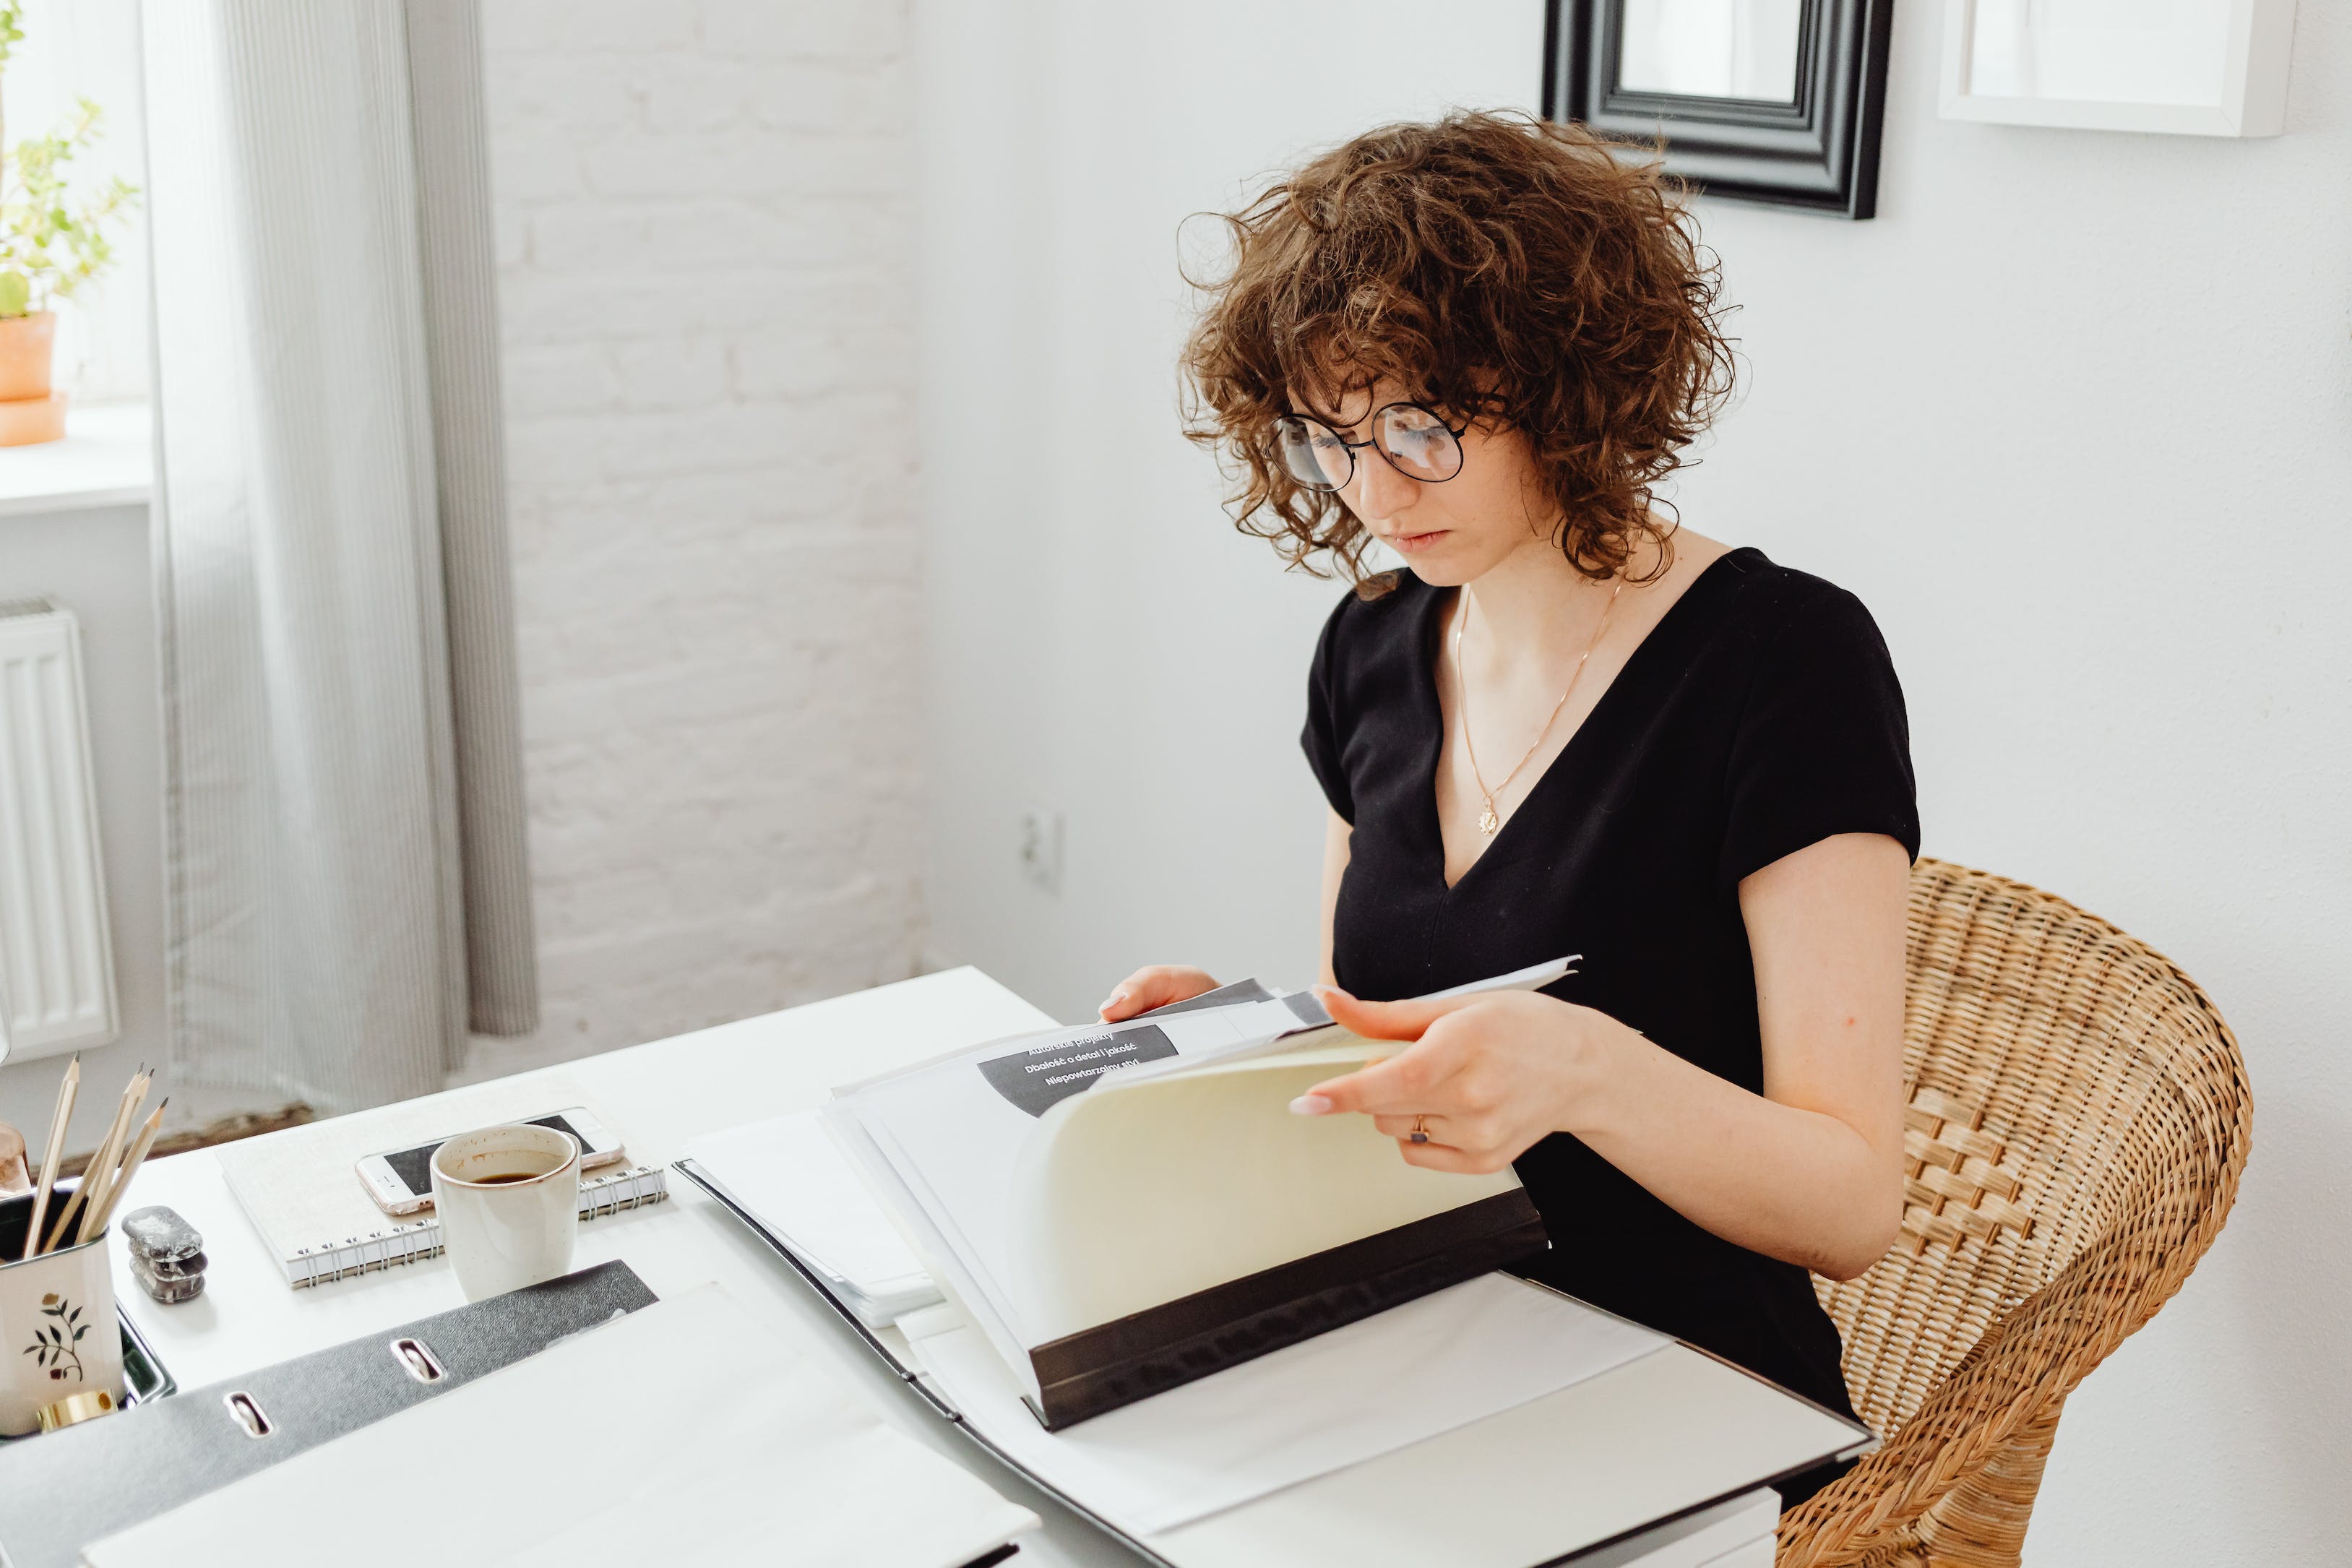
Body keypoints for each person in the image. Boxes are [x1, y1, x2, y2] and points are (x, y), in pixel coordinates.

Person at [1098, 112, 1918, 1507]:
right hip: (1415, 1340)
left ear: (1570, 385)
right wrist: (1247, 1049)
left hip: (1687, 1396)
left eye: (1421, 426)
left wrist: (1585, 1071)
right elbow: (1386, 1021)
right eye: (1330, 440)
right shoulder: (1369, 646)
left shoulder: (1784, 661)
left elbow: (1849, 1209)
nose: (1373, 492)